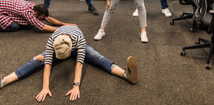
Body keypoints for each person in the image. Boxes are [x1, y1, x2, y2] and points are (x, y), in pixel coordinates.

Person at [0, 25, 138, 102]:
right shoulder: (52, 41)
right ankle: (4, 80)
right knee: (36, 61)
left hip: (76, 46)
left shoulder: (80, 41)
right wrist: (45, 87)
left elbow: (79, 64)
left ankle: (126, 75)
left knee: (98, 58)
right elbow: (48, 66)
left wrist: (76, 86)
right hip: (59, 46)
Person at [0, 0, 75, 32]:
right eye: (41, 18)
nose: (42, 20)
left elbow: (47, 18)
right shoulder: (28, 12)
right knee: (14, 26)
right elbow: (43, 27)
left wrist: (65, 24)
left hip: (3, 3)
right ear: (36, 13)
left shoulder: (34, 7)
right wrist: (63, 30)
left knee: (25, 23)